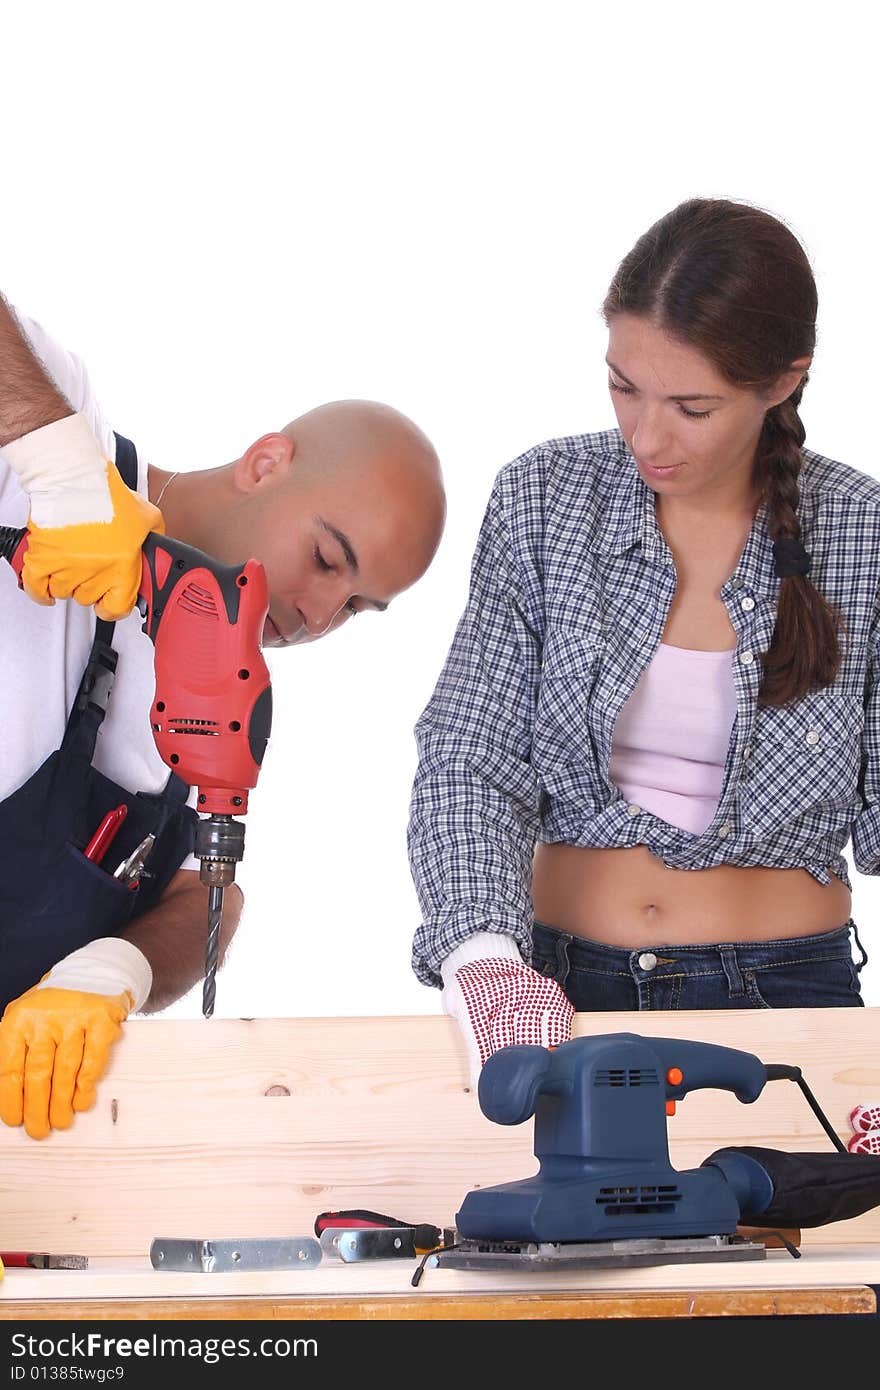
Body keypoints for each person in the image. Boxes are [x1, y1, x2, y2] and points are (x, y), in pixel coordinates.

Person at [408, 197, 878, 1088]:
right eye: (624, 386)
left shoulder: (862, 531)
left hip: (788, 1005)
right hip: (557, 992)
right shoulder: (545, 497)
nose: (647, 436)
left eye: (692, 406)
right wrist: (482, 960)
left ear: (782, 381)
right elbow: (473, 751)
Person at [0, 297, 446, 1138]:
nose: (316, 614)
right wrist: (59, 470)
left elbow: (207, 897)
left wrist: (121, 966)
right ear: (266, 461)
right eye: (324, 559)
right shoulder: (60, 446)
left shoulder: (210, 699)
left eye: (355, 607)